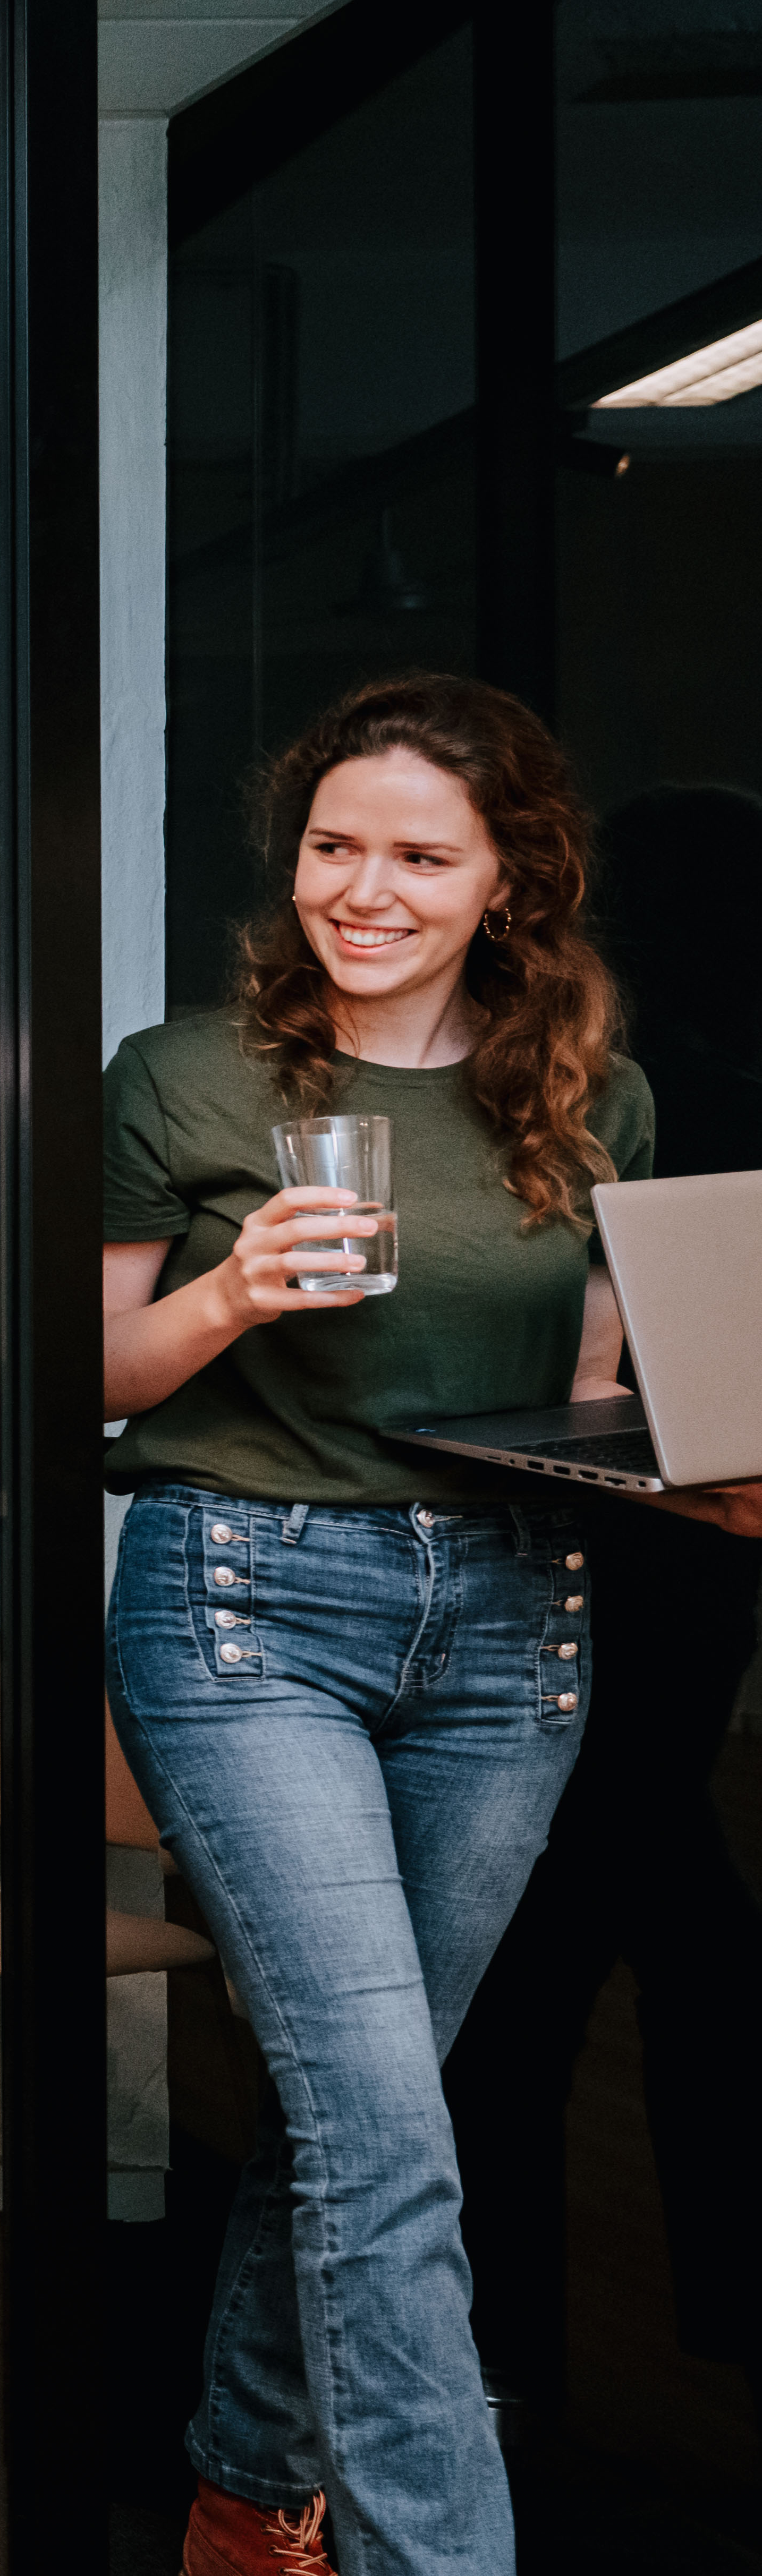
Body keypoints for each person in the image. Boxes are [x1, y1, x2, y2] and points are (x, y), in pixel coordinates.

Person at [102, 673, 762, 2576]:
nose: (363, 890)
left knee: (352, 2104)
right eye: (333, 846)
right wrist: (222, 1303)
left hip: (512, 1621)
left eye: (418, 855)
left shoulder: (598, 1092)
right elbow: (90, 1363)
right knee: (393, 2128)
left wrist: (714, 1455)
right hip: (239, 1605)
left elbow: (594, 1388)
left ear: (510, 884)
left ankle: (235, 2497)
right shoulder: (184, 1077)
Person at [448, 782, 762, 2413]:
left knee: (553, 1945)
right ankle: (596, 2347)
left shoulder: (602, 1096)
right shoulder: (640, 1093)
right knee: (655, 1916)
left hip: (603, 1536)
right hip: (681, 1547)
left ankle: (507, 2373)